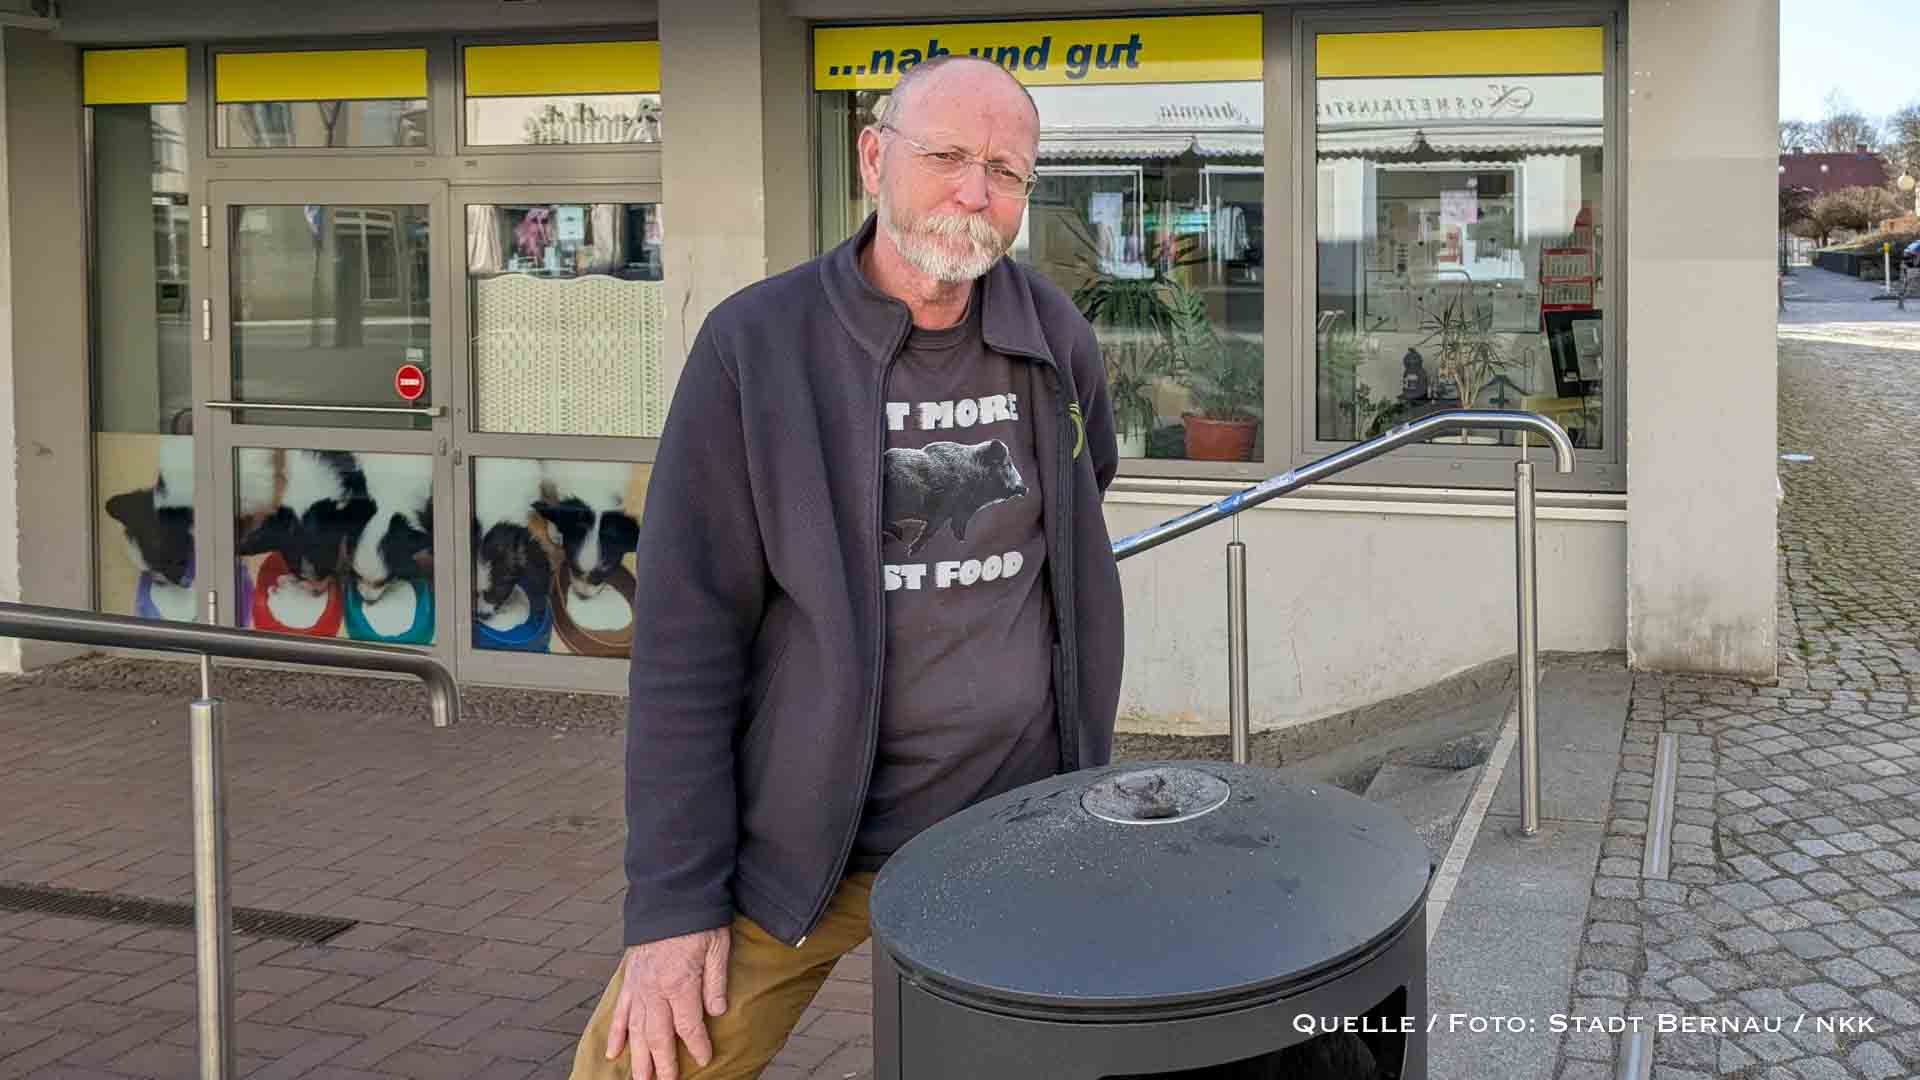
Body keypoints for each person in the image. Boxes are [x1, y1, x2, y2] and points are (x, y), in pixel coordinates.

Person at [570, 54, 1125, 1080]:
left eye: (1007, 170)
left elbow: (1086, 501)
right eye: (948, 156)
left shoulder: (1054, 336)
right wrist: (674, 905)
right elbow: (687, 640)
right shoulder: (758, 344)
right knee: (636, 1066)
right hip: (801, 850)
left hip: (1016, 832)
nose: (975, 191)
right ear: (874, 158)